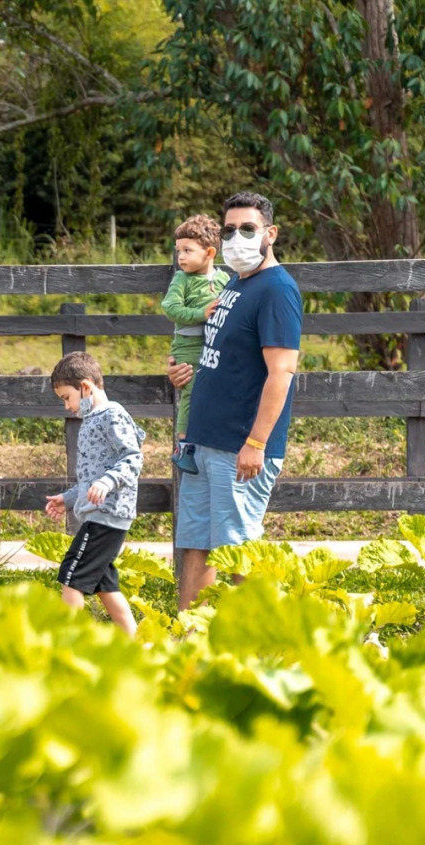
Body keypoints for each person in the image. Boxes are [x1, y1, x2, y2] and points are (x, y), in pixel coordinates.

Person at [167, 191, 303, 611]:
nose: (236, 237)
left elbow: (282, 372)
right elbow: (218, 352)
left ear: (270, 233)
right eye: (229, 230)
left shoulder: (277, 290)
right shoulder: (235, 284)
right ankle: (189, 635)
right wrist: (182, 370)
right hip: (205, 440)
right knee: (197, 545)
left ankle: (261, 637)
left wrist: (256, 443)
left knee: (239, 550)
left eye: (248, 228)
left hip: (240, 446)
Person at [45, 352, 142, 636]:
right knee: (105, 585)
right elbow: (91, 478)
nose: (67, 406)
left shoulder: (112, 415)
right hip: (100, 513)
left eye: (67, 397)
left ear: (86, 387)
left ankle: (68, 642)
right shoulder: (92, 419)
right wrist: (68, 498)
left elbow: (133, 458)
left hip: (107, 515)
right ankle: (136, 642)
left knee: (71, 575)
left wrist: (109, 481)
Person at [162, 214, 229, 475]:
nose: (180, 257)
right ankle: (184, 446)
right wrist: (201, 313)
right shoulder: (182, 279)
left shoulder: (224, 279)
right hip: (188, 346)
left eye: (187, 250)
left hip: (215, 346)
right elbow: (170, 308)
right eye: (178, 250)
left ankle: (212, 436)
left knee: (215, 389)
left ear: (209, 253)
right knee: (191, 391)